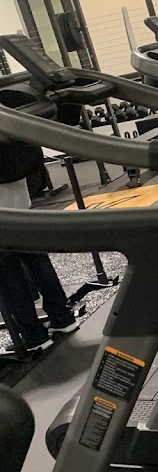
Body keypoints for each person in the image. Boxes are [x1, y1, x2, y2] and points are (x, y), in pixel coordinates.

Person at [0, 137, 79, 352]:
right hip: (19, 197)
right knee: (36, 259)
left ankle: (34, 336)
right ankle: (63, 318)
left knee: (8, 274)